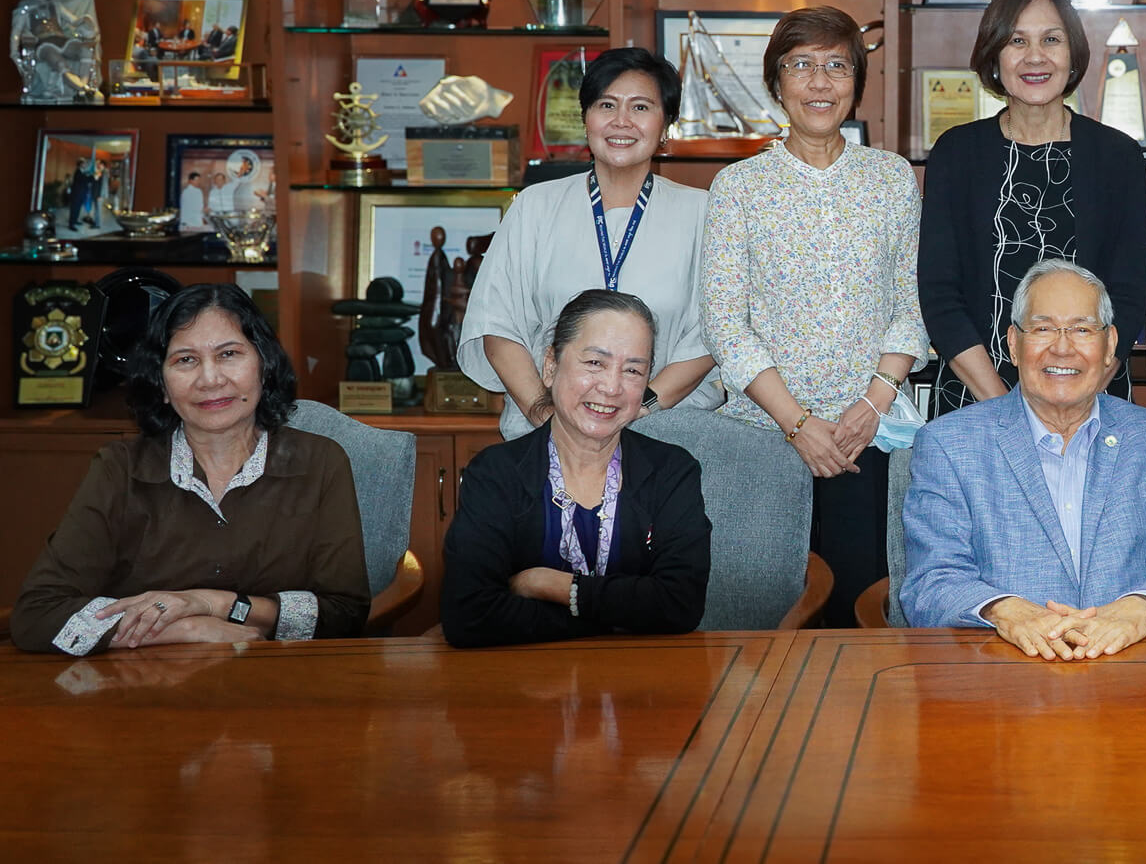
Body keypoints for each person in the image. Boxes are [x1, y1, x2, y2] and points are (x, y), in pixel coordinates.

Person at [701, 5, 927, 628]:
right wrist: (797, 422)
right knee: (766, 617)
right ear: (777, 83)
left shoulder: (891, 179)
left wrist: (873, 405)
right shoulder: (739, 186)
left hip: (865, 438)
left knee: (859, 612)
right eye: (801, 66)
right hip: (764, 437)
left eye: (837, 66)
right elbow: (725, 323)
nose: (820, 83)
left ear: (857, 83)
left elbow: (911, 307)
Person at [12, 284, 370, 653]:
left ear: (264, 366)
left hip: (275, 689)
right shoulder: (120, 469)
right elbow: (38, 615)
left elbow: (343, 615)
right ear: (162, 385)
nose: (210, 379)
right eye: (185, 360)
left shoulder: (320, 463)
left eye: (229, 354)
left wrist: (216, 605)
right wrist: (187, 627)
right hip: (142, 692)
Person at [902, 259, 1146, 659]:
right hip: (999, 680)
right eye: (1043, 328)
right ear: (1014, 344)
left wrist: (1139, 608)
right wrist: (1005, 611)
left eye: (1083, 329)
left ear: (1110, 346)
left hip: (1129, 674)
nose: (1063, 347)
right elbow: (930, 584)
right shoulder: (948, 444)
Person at [459, 46, 722, 440]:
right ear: (585, 119)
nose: (621, 122)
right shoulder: (535, 206)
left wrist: (640, 409)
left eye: (640, 107)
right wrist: (544, 413)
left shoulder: (703, 213)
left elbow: (713, 333)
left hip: (663, 433)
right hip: (545, 433)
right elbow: (497, 324)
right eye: (606, 105)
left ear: (665, 124)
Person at [919, 0, 1146, 415]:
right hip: (976, 398)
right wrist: (1005, 407)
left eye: (1051, 39)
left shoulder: (1116, 155)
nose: (1035, 57)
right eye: (1016, 41)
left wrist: (1080, 396)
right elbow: (939, 295)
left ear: (1073, 53)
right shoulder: (957, 152)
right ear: (994, 56)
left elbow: (1128, 294)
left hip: (1091, 401)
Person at [441, 290, 713, 647]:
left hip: (642, 689)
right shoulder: (496, 473)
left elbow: (680, 605)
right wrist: (617, 617)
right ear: (551, 366)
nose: (612, 387)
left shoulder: (672, 472)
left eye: (633, 370)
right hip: (522, 688)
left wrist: (551, 586)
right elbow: (469, 616)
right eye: (595, 363)